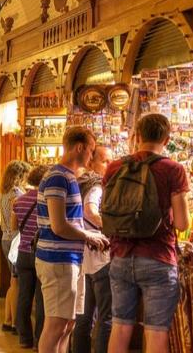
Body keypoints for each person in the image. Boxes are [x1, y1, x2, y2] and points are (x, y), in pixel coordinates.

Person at [104, 114, 188, 353]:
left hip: (120, 256)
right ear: (167, 138)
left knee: (120, 326)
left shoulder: (114, 167)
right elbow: (182, 223)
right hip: (158, 257)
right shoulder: (173, 169)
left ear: (136, 136)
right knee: (156, 329)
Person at [36, 127, 109, 353]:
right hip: (57, 260)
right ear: (79, 147)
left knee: (68, 324)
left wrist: (90, 235)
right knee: (56, 325)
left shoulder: (68, 177)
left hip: (70, 259)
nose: (91, 155)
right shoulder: (58, 177)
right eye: (90, 150)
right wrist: (88, 235)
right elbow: (59, 225)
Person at [73, 146, 113, 353]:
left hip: (85, 259)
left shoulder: (82, 184)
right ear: (92, 163)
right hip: (100, 259)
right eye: (105, 161)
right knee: (106, 318)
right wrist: (109, 229)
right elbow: (90, 210)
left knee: (84, 316)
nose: (109, 165)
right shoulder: (97, 185)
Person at [14, 165, 49, 349]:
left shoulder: (19, 200)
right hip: (41, 252)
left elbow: (14, 227)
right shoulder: (47, 201)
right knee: (42, 299)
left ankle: (24, 338)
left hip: (22, 252)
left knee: (24, 297)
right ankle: (39, 341)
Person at [0, 160, 32, 333]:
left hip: (6, 238)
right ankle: (15, 323)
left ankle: (8, 319)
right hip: (15, 240)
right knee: (17, 283)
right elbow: (16, 223)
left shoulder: (4, 193)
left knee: (13, 282)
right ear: (20, 176)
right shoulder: (18, 193)